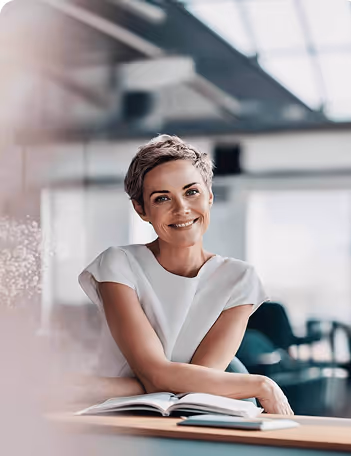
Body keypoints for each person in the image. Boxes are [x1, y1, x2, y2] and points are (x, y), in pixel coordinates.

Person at [77, 134, 293, 415]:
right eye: (162, 198)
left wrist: (98, 386)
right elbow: (162, 377)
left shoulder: (240, 279)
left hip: (193, 418)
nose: (181, 209)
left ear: (210, 196)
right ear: (141, 209)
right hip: (115, 416)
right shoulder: (118, 264)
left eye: (192, 192)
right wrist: (260, 384)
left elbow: (195, 390)